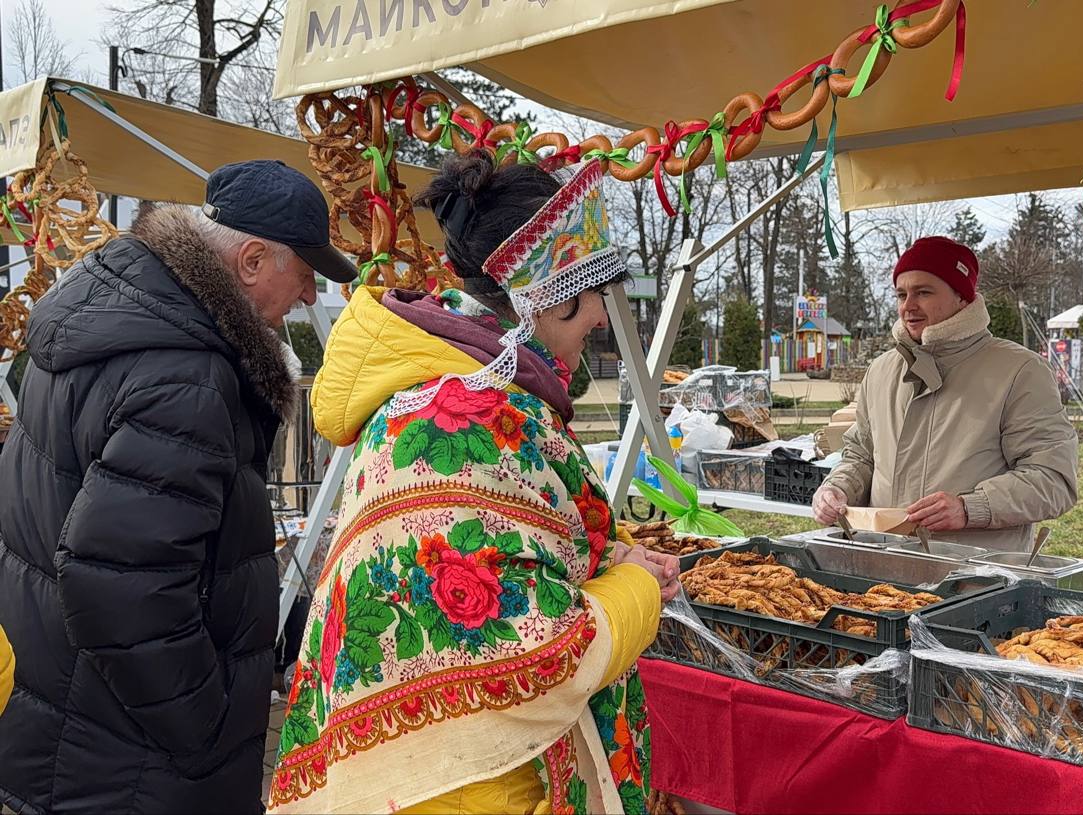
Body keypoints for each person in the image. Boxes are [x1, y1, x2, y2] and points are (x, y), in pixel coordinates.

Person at [267, 156, 677, 815]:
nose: (602, 316)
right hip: (473, 785)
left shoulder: (435, 388)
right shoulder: (480, 415)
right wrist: (641, 585)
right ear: (542, 292)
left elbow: (515, 546)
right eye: (593, 289)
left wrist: (601, 551)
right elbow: (543, 653)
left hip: (424, 776)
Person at [0, 160, 358, 813]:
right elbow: (116, 585)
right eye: (305, 275)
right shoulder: (186, 374)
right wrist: (207, 727)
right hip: (131, 769)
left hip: (67, 736)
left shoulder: (119, 310)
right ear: (251, 260)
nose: (310, 296)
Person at [812, 236, 1078, 552]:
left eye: (923, 292)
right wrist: (838, 488)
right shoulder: (881, 371)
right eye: (901, 294)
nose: (908, 306)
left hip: (977, 576)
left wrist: (970, 507)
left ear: (962, 298)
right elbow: (861, 455)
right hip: (882, 566)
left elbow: (1053, 480)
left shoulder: (1020, 371)